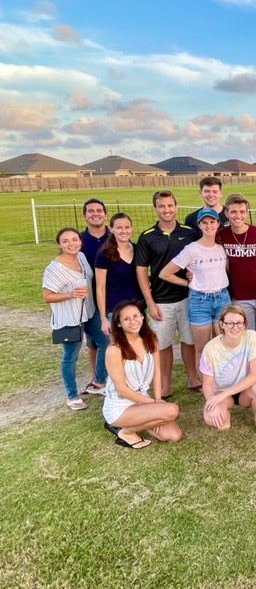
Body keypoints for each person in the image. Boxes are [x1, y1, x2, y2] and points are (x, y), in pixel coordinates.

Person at [136, 190, 200, 397]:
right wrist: (150, 303)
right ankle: (165, 384)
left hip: (188, 298)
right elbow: (141, 271)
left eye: (170, 206)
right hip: (161, 301)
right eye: (162, 206)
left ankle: (193, 378)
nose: (166, 210)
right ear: (155, 209)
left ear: (176, 207)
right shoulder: (147, 237)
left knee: (189, 340)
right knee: (163, 344)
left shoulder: (190, 232)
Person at [43, 227, 109, 410]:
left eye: (74, 239)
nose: (71, 244)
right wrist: (70, 294)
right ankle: (72, 396)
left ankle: (99, 382)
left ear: (80, 241)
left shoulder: (81, 257)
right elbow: (47, 296)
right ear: (59, 244)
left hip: (88, 312)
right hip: (70, 318)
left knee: (106, 342)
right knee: (70, 356)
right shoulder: (54, 268)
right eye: (65, 241)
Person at [160, 208, 230, 380]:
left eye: (212, 222)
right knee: (203, 348)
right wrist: (188, 283)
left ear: (218, 224)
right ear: (199, 225)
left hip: (222, 299)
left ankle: (224, 381)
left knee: (224, 344)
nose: (209, 225)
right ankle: (208, 386)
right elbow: (165, 273)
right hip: (200, 302)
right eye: (204, 223)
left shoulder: (222, 248)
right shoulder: (191, 249)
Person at [103, 300, 183, 448]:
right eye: (126, 319)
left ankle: (139, 422)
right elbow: (122, 390)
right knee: (172, 410)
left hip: (142, 401)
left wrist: (158, 400)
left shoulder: (151, 339)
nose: (133, 321)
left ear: (142, 317)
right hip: (120, 407)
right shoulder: (114, 350)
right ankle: (125, 431)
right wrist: (154, 405)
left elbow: (157, 372)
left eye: (136, 316)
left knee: (174, 436)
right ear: (119, 323)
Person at [219, 194, 256, 391]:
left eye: (242, 211)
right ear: (227, 213)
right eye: (233, 211)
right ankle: (245, 376)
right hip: (240, 297)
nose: (238, 215)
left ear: (247, 213)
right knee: (243, 338)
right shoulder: (222, 235)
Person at [200, 304, 256, 438]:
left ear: (244, 325)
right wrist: (212, 402)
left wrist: (225, 394)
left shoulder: (251, 337)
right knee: (218, 422)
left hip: (245, 390)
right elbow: (207, 383)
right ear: (222, 325)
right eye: (230, 323)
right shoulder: (210, 348)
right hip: (221, 392)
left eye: (239, 323)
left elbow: (255, 376)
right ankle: (225, 411)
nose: (235, 327)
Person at [79, 198, 110, 395]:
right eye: (91, 211)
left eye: (99, 210)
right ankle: (95, 377)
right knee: (95, 342)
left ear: (105, 215)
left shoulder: (115, 237)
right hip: (89, 299)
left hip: (114, 296)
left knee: (109, 339)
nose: (95, 213)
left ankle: (107, 377)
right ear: (85, 216)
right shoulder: (79, 241)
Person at [95, 213, 143, 336]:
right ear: (111, 229)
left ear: (131, 228)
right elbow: (100, 288)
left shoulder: (138, 250)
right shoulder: (104, 254)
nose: (124, 231)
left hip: (138, 309)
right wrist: (103, 318)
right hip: (116, 310)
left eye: (127, 227)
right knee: (120, 350)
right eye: (119, 228)